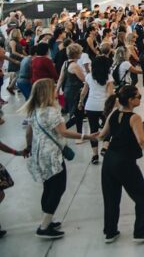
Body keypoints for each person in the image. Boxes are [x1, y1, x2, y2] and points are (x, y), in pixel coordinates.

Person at [23, 79, 96, 239]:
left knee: (48, 187)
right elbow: (64, 132)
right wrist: (87, 135)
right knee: (58, 187)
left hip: (38, 153)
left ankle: (47, 219)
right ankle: (44, 227)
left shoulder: (33, 110)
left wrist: (28, 147)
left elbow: (29, 133)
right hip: (52, 155)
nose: (57, 90)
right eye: (53, 88)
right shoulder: (52, 111)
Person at [97, 85, 144, 243]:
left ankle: (110, 231)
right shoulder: (134, 118)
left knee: (111, 197)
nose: (140, 98)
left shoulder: (114, 113)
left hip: (109, 160)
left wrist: (83, 137)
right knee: (141, 195)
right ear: (130, 100)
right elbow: (142, 141)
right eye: (138, 97)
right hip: (125, 162)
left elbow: (101, 136)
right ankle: (140, 232)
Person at [78, 55, 114, 165]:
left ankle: (94, 155)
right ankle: (105, 147)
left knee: (93, 130)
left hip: (91, 106)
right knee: (108, 127)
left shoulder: (89, 76)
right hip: (104, 106)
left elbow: (84, 92)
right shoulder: (109, 77)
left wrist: (80, 102)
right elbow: (110, 94)